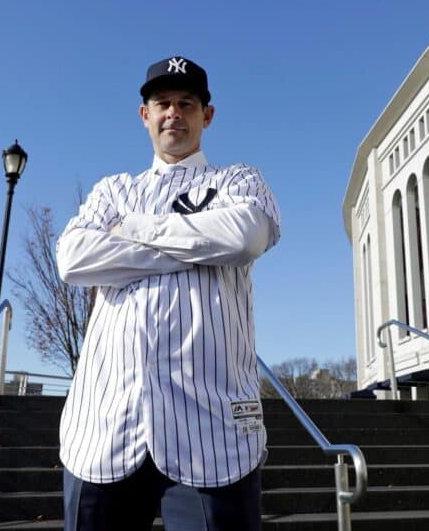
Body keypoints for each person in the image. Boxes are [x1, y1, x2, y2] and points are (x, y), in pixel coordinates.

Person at [55, 55, 281, 531]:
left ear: (207, 115)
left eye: (186, 103)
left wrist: (133, 230)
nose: (173, 113)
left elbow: (243, 238)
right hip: (107, 423)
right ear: (145, 115)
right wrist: (199, 246)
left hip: (212, 429)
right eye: (162, 103)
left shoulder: (237, 181)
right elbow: (73, 258)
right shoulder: (113, 190)